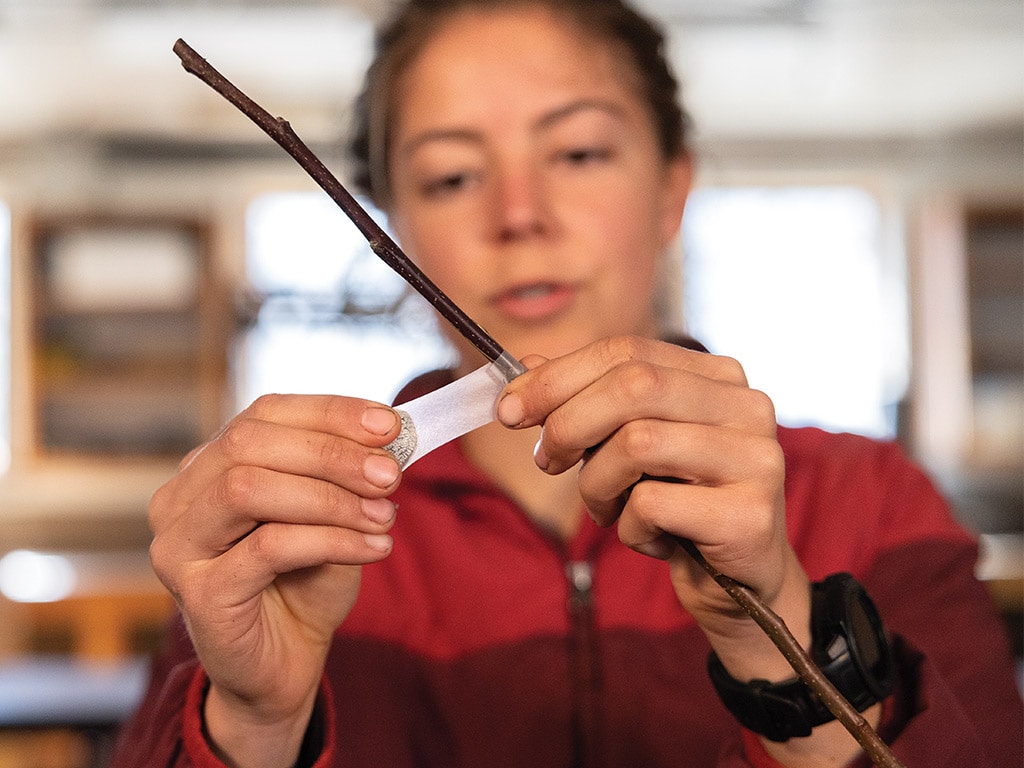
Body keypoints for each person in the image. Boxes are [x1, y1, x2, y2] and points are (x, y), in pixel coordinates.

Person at [111, 1, 1023, 766]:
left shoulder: (872, 506)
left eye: (579, 154)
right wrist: (258, 724)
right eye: (452, 175)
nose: (519, 215)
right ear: (394, 230)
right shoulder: (290, 540)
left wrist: (774, 629)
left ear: (672, 188)